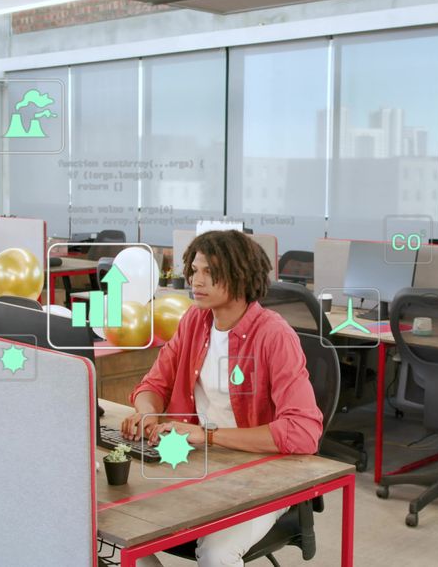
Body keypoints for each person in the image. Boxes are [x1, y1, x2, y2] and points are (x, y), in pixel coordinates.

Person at [120, 229, 324, 567]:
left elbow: (303, 432)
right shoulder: (194, 321)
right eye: (195, 270)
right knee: (115, 523)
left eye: (210, 273)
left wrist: (207, 435)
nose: (195, 281)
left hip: (262, 475)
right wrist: (147, 414)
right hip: (200, 464)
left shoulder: (274, 336)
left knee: (216, 552)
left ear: (240, 277)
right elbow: (153, 385)